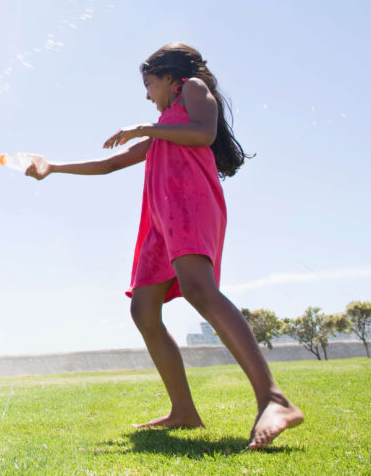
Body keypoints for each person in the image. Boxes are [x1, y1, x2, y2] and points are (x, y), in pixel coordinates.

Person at [24, 43, 303, 450]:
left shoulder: (192, 89)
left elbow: (204, 133)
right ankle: (183, 411)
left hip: (190, 204)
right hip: (159, 220)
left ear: (170, 77)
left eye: (149, 83)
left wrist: (145, 128)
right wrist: (52, 168)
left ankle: (273, 398)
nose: (146, 94)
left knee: (199, 289)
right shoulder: (166, 126)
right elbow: (111, 164)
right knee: (142, 308)